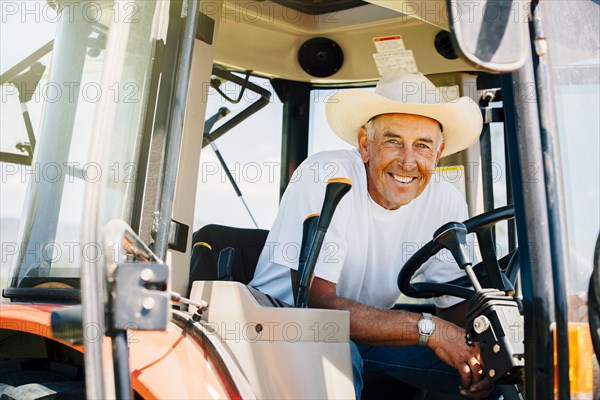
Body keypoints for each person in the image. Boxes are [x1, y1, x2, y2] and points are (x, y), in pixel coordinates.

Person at [249, 68, 492, 399]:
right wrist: (430, 329)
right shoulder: (328, 176)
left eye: (422, 145)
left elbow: (452, 303)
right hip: (282, 328)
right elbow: (321, 308)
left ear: (438, 152)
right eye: (393, 141)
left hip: (369, 333)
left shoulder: (445, 200)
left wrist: (485, 340)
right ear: (365, 145)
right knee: (339, 351)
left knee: (491, 368)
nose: (408, 162)